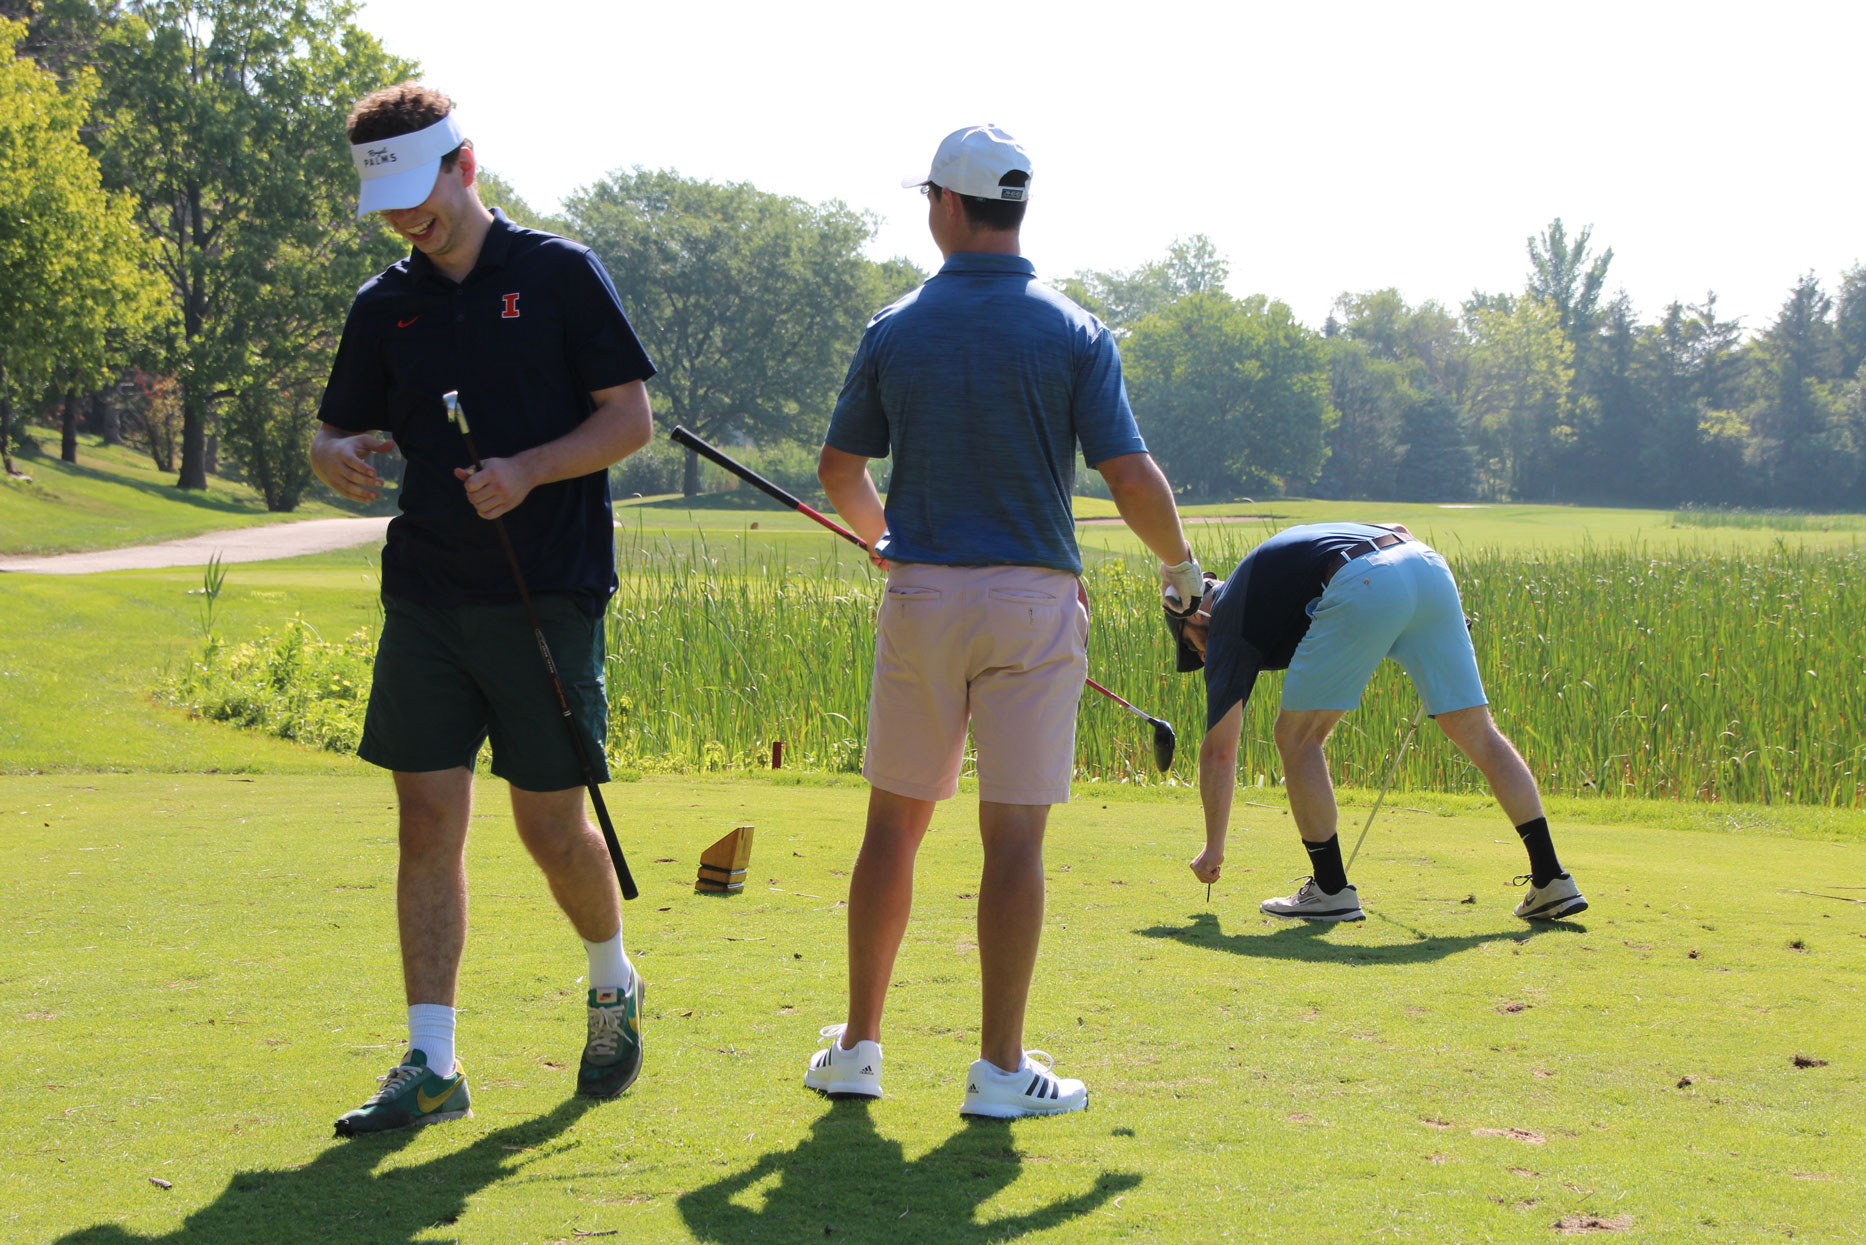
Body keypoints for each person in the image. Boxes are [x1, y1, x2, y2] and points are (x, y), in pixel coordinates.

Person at [810, 124, 1202, 1118]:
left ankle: (858, 1049)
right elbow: (1130, 476)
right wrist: (1181, 571)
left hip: (924, 596)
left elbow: (840, 471)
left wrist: (884, 539)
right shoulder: (1075, 329)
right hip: (1034, 602)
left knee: (893, 827)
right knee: (1014, 839)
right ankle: (998, 1070)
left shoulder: (895, 325)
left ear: (947, 204)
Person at [310, 83, 657, 1136]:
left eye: (419, 195)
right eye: (388, 206)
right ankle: (433, 1061)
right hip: (426, 590)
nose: (406, 219)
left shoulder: (557, 274)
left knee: (549, 824)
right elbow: (334, 430)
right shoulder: (383, 305)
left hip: (546, 587)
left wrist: (530, 468)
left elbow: (629, 420)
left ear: (465, 165)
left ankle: (612, 982)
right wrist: (335, 455)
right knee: (425, 819)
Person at [1169, 522, 1587, 923]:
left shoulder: (1229, 618)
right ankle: (1552, 878)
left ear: (1196, 615)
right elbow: (1398, 529)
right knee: (1477, 732)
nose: (1204, 656)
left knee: (1296, 737)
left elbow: (1220, 751)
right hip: (1427, 568)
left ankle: (1330, 890)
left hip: (1365, 579)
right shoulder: (1265, 585)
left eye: (1195, 645)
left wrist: (1213, 849)